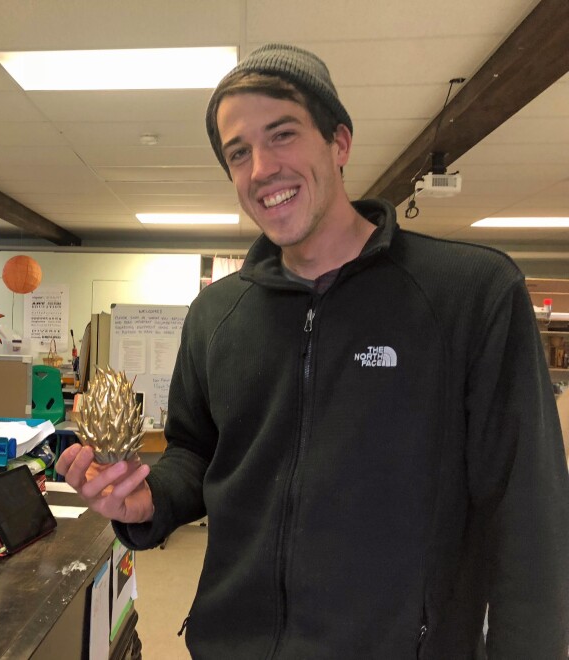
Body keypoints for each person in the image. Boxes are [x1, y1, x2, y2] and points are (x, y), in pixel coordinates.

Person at [57, 43, 569, 659]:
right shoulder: (218, 315)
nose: (261, 168)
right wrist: (148, 499)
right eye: (238, 152)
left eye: (282, 134)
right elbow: (196, 453)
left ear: (340, 143)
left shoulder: (468, 293)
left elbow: (528, 513)